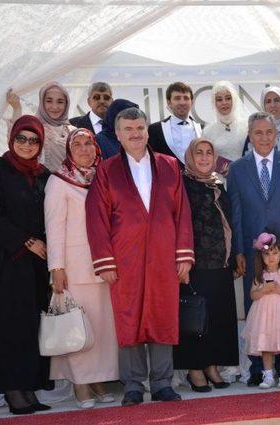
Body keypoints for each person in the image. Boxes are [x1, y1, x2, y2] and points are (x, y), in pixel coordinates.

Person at [85, 107, 194, 406]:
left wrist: (184, 256)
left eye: (140, 128)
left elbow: (182, 213)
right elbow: (96, 219)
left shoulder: (170, 165)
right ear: (117, 135)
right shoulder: (106, 170)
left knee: (162, 315)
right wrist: (104, 261)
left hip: (163, 255)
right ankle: (133, 385)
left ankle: (161, 384)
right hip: (124, 258)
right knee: (129, 316)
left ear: (147, 131)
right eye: (128, 129)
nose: (135, 134)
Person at [227, 112, 280, 386]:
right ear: (250, 135)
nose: (264, 138)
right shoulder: (237, 169)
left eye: (269, 132)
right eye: (258, 133)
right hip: (252, 253)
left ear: (276, 135)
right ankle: (259, 369)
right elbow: (235, 213)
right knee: (256, 307)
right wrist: (238, 250)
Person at [0, 115, 51, 415]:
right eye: (21, 138)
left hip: (36, 264)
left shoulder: (44, 174)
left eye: (33, 139)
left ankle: (28, 386)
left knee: (30, 325)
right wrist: (27, 241)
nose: (26, 144)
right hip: (5, 260)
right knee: (8, 325)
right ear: (12, 139)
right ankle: (11, 389)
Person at [44, 128, 118, 409]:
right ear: (69, 150)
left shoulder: (104, 178)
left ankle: (98, 381)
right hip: (73, 268)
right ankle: (80, 386)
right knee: (77, 328)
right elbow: (54, 228)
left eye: (89, 143)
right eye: (78, 144)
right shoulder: (58, 181)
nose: (85, 149)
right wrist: (57, 268)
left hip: (104, 266)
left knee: (100, 329)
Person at [173, 137, 238, 392]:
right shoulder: (182, 185)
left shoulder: (218, 184)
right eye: (198, 153)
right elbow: (177, 224)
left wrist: (233, 258)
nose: (203, 157)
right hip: (194, 264)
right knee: (194, 318)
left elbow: (228, 224)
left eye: (208, 153)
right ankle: (195, 369)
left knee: (216, 317)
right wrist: (181, 261)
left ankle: (211, 365)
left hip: (219, 264)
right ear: (190, 156)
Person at [242, 233, 280, 389]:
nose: (271, 257)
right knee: (266, 346)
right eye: (267, 254)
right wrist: (264, 290)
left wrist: (279, 290)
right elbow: (253, 295)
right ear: (261, 256)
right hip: (265, 317)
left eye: (275, 253)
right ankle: (268, 375)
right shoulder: (260, 276)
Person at [7, 82, 76, 172]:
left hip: (69, 184)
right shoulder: (35, 128)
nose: (54, 107)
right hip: (41, 184)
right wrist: (17, 108)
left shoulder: (73, 131)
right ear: (42, 103)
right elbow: (14, 141)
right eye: (49, 101)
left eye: (60, 102)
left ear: (66, 104)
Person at [148, 82, 203, 167]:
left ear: (191, 102)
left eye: (186, 98)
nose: (182, 102)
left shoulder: (203, 129)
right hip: (167, 179)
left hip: (198, 180)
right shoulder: (154, 130)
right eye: (177, 98)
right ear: (169, 102)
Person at [202, 81, 248, 165]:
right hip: (219, 177)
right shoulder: (208, 131)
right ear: (214, 103)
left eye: (228, 98)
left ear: (234, 100)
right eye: (219, 99)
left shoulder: (246, 126)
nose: (224, 103)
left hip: (244, 175)